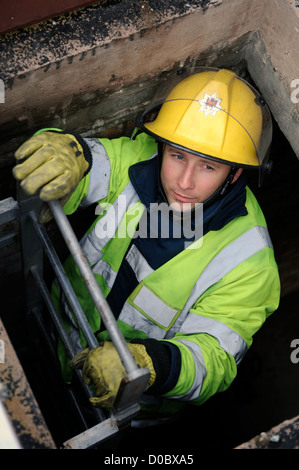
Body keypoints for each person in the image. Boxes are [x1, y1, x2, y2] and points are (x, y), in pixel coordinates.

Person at [13, 68, 280, 424]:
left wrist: (144, 365)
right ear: (163, 146)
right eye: (177, 155)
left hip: (122, 409)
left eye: (208, 166)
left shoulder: (250, 262)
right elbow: (85, 157)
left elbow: (213, 361)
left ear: (235, 173)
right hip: (57, 334)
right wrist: (61, 149)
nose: (184, 182)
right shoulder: (141, 160)